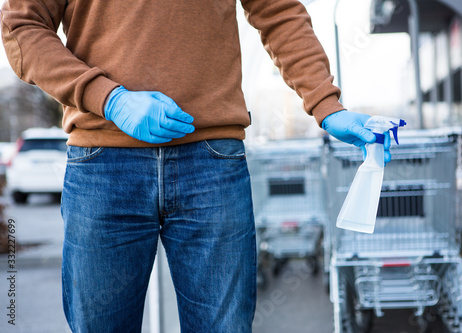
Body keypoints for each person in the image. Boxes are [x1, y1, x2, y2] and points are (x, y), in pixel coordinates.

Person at [1, 0, 390, 332]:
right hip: (103, 163)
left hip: (211, 163)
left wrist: (326, 105)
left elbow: (278, 11)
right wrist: (109, 98)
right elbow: (21, 24)